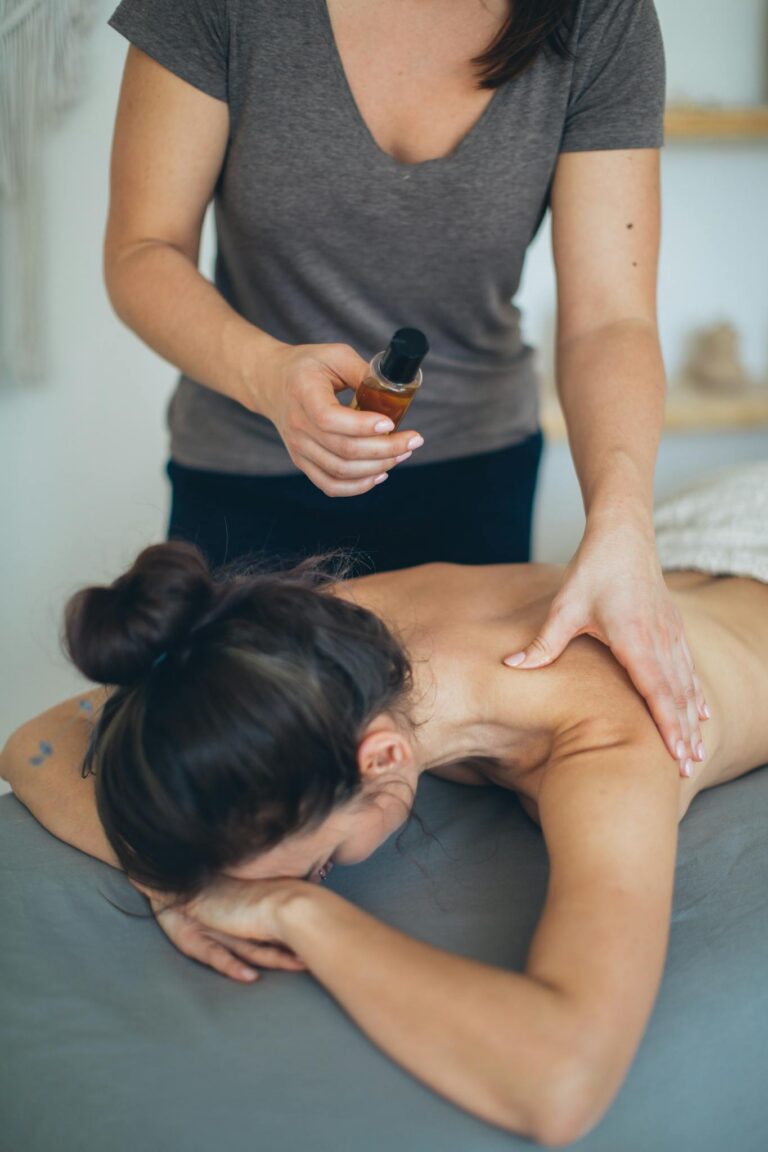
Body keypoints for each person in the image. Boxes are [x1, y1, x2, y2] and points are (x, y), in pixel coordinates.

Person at [4, 463, 767, 1146]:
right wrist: (182, 881)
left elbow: (562, 1083)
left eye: (320, 861)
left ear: (386, 759)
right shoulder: (308, 650)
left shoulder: (611, 742)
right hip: (690, 540)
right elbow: (33, 743)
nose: (299, 881)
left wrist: (295, 914)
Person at [103, 0, 707, 769]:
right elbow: (142, 250)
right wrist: (266, 374)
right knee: (225, 784)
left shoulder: (599, 16)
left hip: (474, 489)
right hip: (246, 481)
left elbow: (609, 321)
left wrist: (623, 523)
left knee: (451, 798)